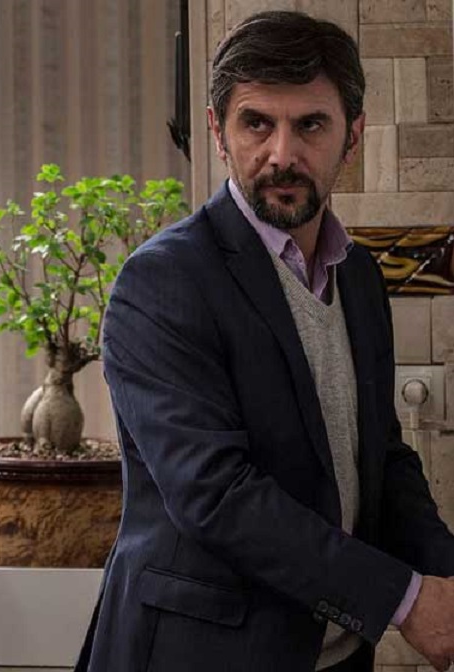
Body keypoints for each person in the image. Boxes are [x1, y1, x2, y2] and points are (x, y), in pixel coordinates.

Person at [75, 11, 454, 672]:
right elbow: (216, 495)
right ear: (218, 131)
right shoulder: (162, 282)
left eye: (310, 125)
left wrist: (446, 576)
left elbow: (382, 458)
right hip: (199, 656)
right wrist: (406, 600)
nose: (282, 154)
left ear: (352, 135)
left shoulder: (359, 275)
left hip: (335, 656)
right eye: (257, 123)